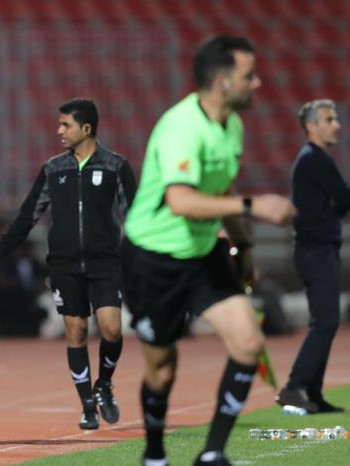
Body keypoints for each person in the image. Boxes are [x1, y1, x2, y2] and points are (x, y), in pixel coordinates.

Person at [120, 36, 296, 466]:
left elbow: (220, 190)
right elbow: (181, 201)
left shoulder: (231, 125)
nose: (257, 83)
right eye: (248, 76)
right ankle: (154, 455)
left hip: (203, 253)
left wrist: (243, 245)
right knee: (162, 370)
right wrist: (255, 206)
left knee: (248, 343)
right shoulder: (181, 127)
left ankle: (212, 453)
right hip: (152, 259)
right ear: (221, 82)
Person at [0, 99, 136, 430]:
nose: (59, 130)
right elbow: (28, 215)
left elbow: (136, 215)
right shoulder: (53, 169)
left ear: (86, 129)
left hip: (104, 262)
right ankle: (87, 405)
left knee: (111, 328)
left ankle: (104, 384)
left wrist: (144, 255)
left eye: (65, 125)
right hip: (64, 264)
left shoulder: (116, 166)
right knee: (76, 331)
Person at [276, 99, 350, 413]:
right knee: (326, 321)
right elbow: (347, 198)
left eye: (335, 118)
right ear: (311, 126)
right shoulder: (315, 160)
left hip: (316, 250)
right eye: (329, 119)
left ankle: (312, 392)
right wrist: (336, 209)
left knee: (325, 322)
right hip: (316, 251)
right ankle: (295, 386)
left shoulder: (312, 159)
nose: (337, 125)